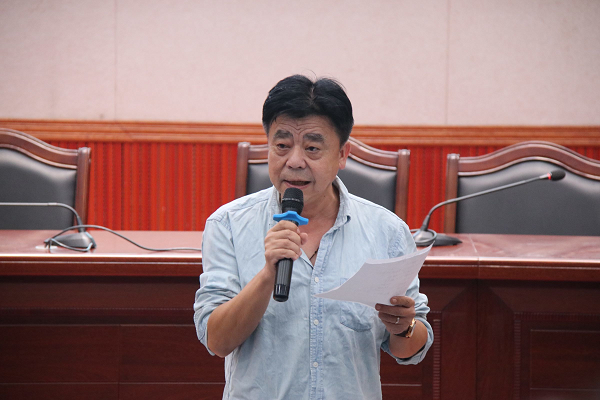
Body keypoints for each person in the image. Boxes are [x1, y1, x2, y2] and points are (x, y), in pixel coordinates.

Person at [193, 74, 433, 400]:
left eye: (312, 148)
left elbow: (411, 349)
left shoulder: (387, 231)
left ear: (343, 154)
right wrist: (267, 275)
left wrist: (404, 327)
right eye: (282, 146)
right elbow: (217, 341)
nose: (294, 161)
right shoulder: (228, 225)